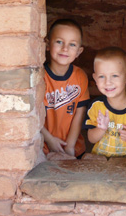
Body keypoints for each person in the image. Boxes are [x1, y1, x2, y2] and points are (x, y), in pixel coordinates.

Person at [41, 19, 89, 159]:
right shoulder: (40, 77)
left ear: (79, 51)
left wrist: (70, 145)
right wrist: (49, 140)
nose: (65, 48)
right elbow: (33, 116)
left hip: (73, 147)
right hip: (44, 146)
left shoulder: (79, 76)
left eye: (72, 44)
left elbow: (79, 113)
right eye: (59, 42)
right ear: (48, 44)